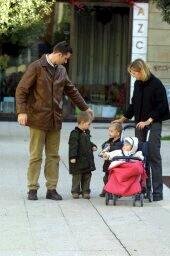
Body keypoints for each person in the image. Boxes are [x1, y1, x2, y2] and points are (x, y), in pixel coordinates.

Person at [15, 41, 93, 201]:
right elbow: (21, 90)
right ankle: (32, 189)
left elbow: (71, 90)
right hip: (37, 118)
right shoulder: (36, 67)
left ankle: (51, 189)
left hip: (55, 120)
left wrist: (85, 108)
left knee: (53, 156)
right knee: (36, 155)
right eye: (65, 58)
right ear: (58, 54)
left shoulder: (62, 70)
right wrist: (22, 111)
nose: (66, 61)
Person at [113, 58, 170, 201]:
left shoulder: (156, 84)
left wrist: (150, 120)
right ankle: (144, 188)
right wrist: (123, 119)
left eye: (134, 73)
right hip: (139, 124)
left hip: (153, 123)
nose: (133, 76)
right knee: (140, 156)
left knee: (153, 155)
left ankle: (157, 192)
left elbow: (162, 106)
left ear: (141, 70)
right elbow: (134, 104)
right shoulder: (138, 84)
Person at [68, 111, 97, 199]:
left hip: (87, 160)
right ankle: (75, 191)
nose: (89, 126)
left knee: (87, 176)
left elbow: (88, 142)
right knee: (77, 176)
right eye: (88, 124)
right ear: (82, 123)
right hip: (78, 160)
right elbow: (73, 146)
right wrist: (72, 157)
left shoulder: (86, 132)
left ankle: (86, 191)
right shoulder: (75, 133)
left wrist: (93, 146)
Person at [99, 122, 122, 197]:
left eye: (111, 131)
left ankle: (115, 190)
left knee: (114, 178)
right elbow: (104, 145)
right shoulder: (110, 140)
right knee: (106, 178)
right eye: (109, 131)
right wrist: (104, 148)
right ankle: (106, 188)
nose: (109, 133)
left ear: (118, 133)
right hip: (107, 164)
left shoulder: (120, 143)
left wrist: (109, 148)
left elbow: (116, 149)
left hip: (114, 165)